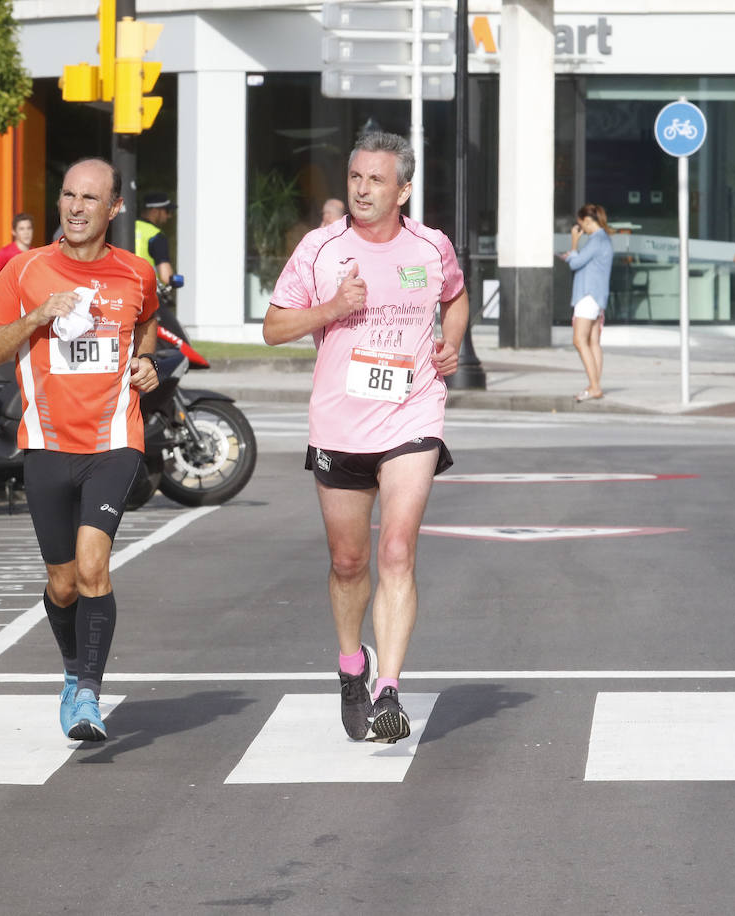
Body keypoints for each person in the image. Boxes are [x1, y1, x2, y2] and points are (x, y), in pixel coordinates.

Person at [262, 130, 467, 745]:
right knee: (348, 562)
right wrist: (330, 309)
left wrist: (449, 343)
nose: (362, 189)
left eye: (377, 180)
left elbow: (454, 300)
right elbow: (274, 328)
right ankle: (353, 667)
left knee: (397, 551)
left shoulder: (431, 247)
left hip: (413, 413)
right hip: (340, 422)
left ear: (403, 189)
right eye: (355, 177)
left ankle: (389, 690)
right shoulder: (321, 249)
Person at [0, 157, 160, 742]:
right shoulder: (26, 270)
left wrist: (147, 359)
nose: (76, 208)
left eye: (90, 198)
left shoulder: (136, 272)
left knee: (91, 565)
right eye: (67, 196)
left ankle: (88, 693)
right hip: (47, 445)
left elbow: (148, 322)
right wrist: (36, 317)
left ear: (114, 208)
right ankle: (70, 670)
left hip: (114, 441)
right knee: (61, 582)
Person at [560, 203, 613, 401]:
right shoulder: (605, 240)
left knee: (579, 340)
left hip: (587, 296)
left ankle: (594, 387)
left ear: (588, 221)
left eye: (581, 224)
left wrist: (574, 243)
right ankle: (594, 384)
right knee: (593, 342)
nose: (581, 229)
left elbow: (575, 263)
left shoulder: (595, 240)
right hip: (598, 297)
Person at [0, 212, 35, 297]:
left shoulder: (35, 253)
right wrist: (0, 298)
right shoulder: (5, 253)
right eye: (21, 229)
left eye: (29, 228)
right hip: (10, 305)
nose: (26, 232)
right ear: (14, 232)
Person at [134, 192, 175, 286]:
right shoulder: (156, 235)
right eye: (167, 211)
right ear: (155, 211)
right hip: (147, 293)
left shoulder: (126, 228)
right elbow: (166, 277)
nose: (169, 216)